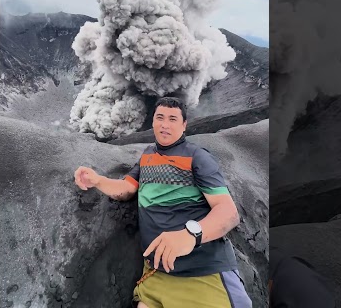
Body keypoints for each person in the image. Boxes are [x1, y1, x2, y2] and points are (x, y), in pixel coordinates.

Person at [74, 96, 252, 308]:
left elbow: (228, 212)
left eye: (172, 119)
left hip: (202, 273)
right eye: (160, 118)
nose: (165, 125)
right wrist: (98, 180)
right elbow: (127, 189)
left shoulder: (198, 157)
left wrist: (190, 234)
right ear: (153, 122)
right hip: (155, 275)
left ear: (184, 125)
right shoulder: (147, 156)